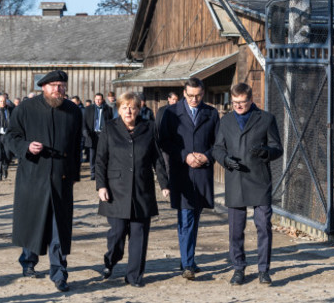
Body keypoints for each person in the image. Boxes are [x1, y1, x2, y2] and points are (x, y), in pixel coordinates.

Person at [5, 70, 83, 293]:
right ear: (43, 87)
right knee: (33, 222)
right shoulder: (26, 109)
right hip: (33, 176)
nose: (58, 90)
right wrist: (26, 147)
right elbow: (10, 137)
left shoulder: (73, 111)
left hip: (61, 179)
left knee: (59, 228)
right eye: (53, 86)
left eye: (61, 86)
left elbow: (77, 146)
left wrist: (74, 176)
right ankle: (28, 262)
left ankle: (59, 273)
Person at [96, 92, 169, 287]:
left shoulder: (149, 128)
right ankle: (111, 259)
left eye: (133, 107)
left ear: (139, 109)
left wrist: (164, 184)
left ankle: (134, 276)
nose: (129, 110)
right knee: (117, 233)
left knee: (139, 234)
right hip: (115, 189)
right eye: (124, 107)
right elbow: (101, 159)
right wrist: (101, 185)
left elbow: (157, 159)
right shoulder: (110, 128)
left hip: (141, 189)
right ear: (118, 109)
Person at [212, 83, 283, 286]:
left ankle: (263, 270)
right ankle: (238, 269)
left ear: (251, 100)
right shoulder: (225, 121)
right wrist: (225, 160)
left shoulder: (266, 119)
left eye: (242, 102)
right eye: (235, 103)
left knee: (263, 226)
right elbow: (217, 148)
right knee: (235, 230)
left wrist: (266, 152)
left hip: (260, 180)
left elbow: (277, 148)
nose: (239, 106)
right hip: (236, 180)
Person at [160, 77, 219, 280]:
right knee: (186, 218)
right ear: (184, 93)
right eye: (191, 95)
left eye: (199, 95)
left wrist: (207, 156)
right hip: (181, 172)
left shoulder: (211, 113)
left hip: (202, 173)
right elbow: (164, 141)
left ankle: (189, 259)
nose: (195, 99)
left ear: (203, 93)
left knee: (195, 217)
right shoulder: (171, 112)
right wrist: (185, 155)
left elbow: (218, 143)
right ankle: (187, 265)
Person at [83, 93, 114, 180]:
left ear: (103, 100)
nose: (98, 101)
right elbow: (84, 121)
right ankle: (93, 173)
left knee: (103, 154)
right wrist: (85, 132)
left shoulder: (108, 109)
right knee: (92, 155)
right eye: (96, 99)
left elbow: (111, 122)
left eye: (99, 99)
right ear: (94, 99)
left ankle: (102, 173)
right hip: (92, 134)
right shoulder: (88, 109)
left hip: (103, 134)